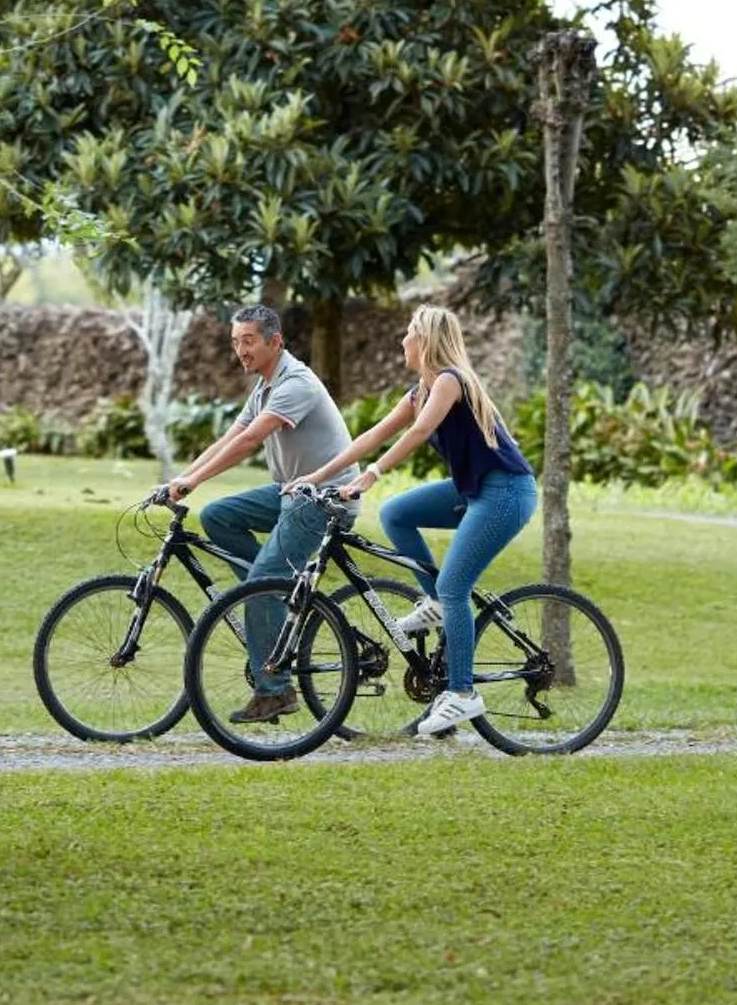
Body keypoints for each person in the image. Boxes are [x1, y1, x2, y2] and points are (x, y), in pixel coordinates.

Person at [296, 305, 534, 736]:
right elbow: (373, 435)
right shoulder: (419, 391)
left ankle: (462, 693)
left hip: (506, 493)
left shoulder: (449, 381)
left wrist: (372, 474)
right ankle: (436, 603)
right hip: (474, 490)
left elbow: (420, 432)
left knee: (455, 586)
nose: (403, 340)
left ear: (425, 341)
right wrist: (317, 476)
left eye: (409, 332)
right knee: (396, 513)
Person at [166, 303, 359, 723]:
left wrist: (193, 482)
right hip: (290, 490)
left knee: (259, 585)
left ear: (275, 341)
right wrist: (182, 478)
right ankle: (279, 595)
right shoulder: (264, 387)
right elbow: (230, 436)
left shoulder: (296, 383)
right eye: (236, 342)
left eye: (249, 341)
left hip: (325, 497)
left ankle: (275, 691)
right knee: (219, 517)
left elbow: (250, 441)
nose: (241, 350)